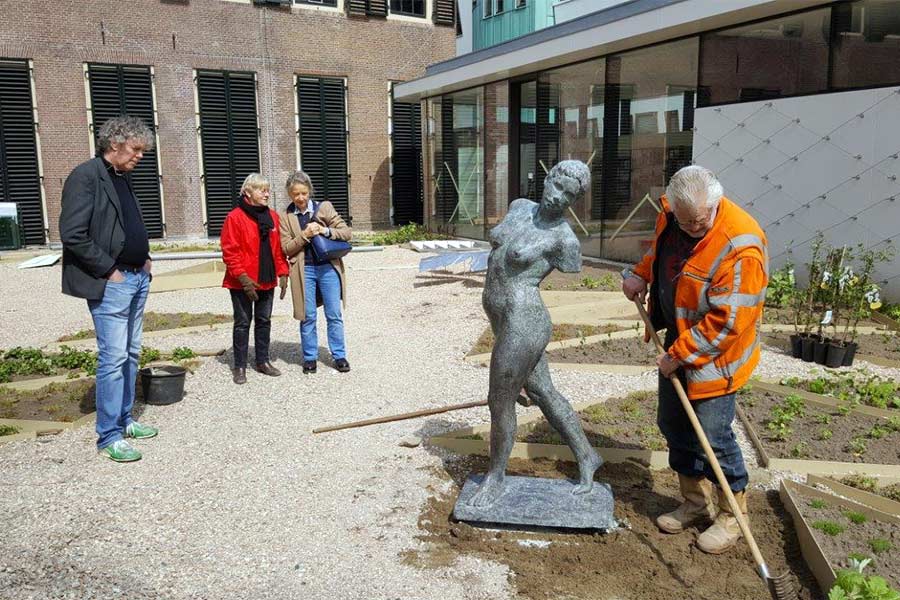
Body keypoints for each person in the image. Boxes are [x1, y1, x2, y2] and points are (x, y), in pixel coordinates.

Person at [621, 165, 768, 554]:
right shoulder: (674, 214)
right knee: (673, 423)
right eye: (684, 221)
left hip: (716, 356)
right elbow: (661, 250)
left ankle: (733, 516)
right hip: (679, 341)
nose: (690, 228)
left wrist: (678, 355)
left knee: (714, 437)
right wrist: (640, 274)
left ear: (715, 203)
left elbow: (727, 323)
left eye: (698, 222)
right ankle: (694, 501)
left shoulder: (740, 246)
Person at [468, 160, 602, 508]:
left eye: (569, 197)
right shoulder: (519, 207)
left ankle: (496, 476)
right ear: (547, 180)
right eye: (557, 188)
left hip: (523, 321)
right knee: (543, 392)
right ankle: (587, 456)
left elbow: (572, 267)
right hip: (502, 318)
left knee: (499, 399)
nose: (559, 199)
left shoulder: (564, 239)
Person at [59, 115, 158, 462]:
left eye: (143, 151)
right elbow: (72, 234)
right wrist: (109, 270)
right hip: (112, 281)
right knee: (113, 357)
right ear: (114, 144)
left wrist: (144, 258)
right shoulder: (85, 176)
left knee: (130, 354)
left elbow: (125, 224)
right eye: (136, 149)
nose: (140, 156)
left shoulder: (121, 177)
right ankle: (109, 435)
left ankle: (125, 419)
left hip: (137, 276)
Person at [278, 170, 352, 374]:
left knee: (333, 314)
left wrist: (324, 230)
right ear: (290, 195)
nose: (300, 198)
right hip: (304, 270)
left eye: (304, 193)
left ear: (309, 191)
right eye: (296, 194)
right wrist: (304, 235)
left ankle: (339, 355)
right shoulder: (285, 217)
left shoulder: (324, 207)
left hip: (328, 267)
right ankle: (310, 357)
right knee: (307, 315)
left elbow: (346, 232)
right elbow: (286, 248)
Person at [220, 173, 289, 385]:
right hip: (242, 281)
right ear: (248, 192)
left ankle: (262, 361)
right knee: (242, 322)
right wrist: (242, 278)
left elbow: (277, 250)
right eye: (262, 190)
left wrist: (283, 272)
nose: (267, 194)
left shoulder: (273, 217)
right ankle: (239, 366)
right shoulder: (235, 217)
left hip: (266, 280)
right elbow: (230, 252)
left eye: (267, 190)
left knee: (264, 320)